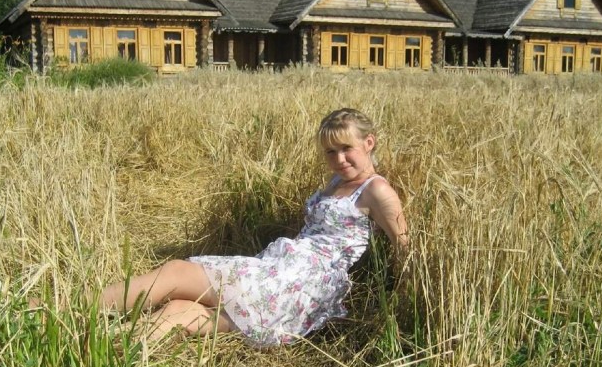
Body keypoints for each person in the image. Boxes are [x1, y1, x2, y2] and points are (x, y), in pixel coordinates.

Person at [99, 108, 408, 348]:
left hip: (299, 282)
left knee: (176, 272)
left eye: (346, 148)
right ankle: (104, 344)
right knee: (179, 309)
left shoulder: (376, 190)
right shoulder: (340, 181)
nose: (339, 158)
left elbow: (404, 246)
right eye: (330, 151)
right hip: (281, 268)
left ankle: (73, 309)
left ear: (369, 143)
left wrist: (398, 302)